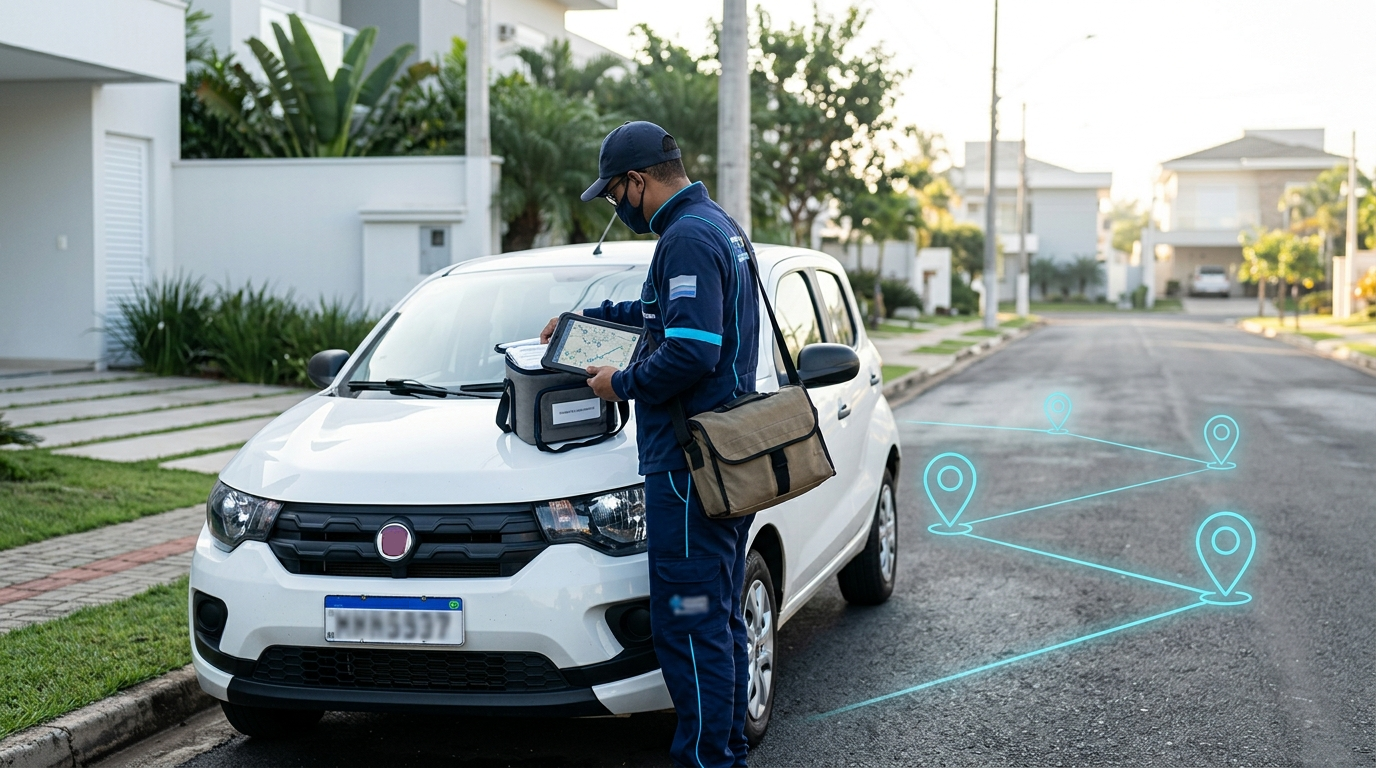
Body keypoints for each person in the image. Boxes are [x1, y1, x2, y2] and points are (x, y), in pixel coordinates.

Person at [540, 121, 760, 768]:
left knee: (690, 623)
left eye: (615, 194)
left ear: (637, 181)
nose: (617, 207)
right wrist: (588, 323)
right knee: (717, 616)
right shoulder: (717, 225)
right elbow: (663, 318)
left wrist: (620, 383)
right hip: (722, 459)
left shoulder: (686, 238)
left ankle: (707, 759)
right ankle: (726, 751)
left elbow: (691, 351)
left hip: (689, 469)